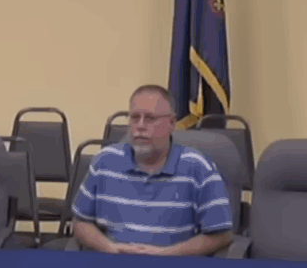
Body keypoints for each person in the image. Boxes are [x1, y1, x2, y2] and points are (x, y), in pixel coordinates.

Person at [70, 85, 234, 256]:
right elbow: (80, 222)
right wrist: (109, 248)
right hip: (113, 267)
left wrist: (168, 254)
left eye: (149, 118)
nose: (140, 126)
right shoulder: (105, 161)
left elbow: (222, 235)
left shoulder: (198, 167)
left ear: (172, 123)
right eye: (134, 118)